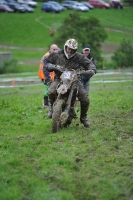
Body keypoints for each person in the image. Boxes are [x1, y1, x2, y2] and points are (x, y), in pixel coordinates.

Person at [45, 39, 96, 128]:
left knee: (85, 99)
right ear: (65, 47)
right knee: (50, 91)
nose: (70, 51)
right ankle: (51, 110)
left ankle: (83, 118)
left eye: (72, 50)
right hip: (59, 78)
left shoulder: (79, 57)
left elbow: (89, 64)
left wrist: (91, 70)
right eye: (68, 49)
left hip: (75, 79)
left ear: (75, 50)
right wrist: (52, 66)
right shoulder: (57, 54)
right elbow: (47, 62)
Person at [38, 44, 59, 108]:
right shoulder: (47, 56)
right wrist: (48, 78)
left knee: (50, 90)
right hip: (45, 76)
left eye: (56, 49)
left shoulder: (54, 55)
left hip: (50, 76)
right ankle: (46, 104)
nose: (55, 51)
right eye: (54, 49)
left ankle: (49, 104)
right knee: (49, 90)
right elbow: (45, 69)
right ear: (50, 49)